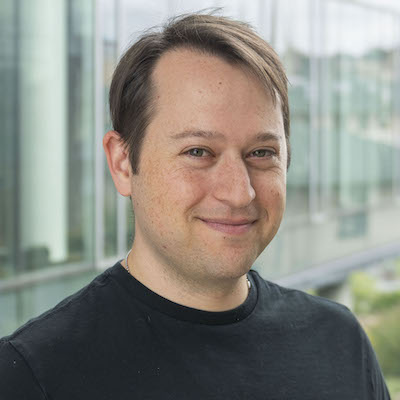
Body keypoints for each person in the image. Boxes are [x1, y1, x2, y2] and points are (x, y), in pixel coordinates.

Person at [0, 12, 390, 400]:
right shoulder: (34, 375)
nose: (239, 193)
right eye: (198, 151)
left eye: (261, 152)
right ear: (122, 162)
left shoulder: (339, 342)